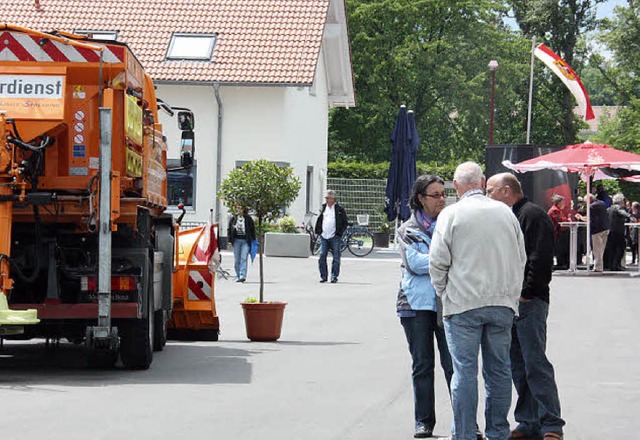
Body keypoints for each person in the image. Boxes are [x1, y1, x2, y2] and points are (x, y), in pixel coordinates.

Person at [429, 162, 526, 440]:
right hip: (501, 303)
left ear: (456, 185)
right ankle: (497, 431)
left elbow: (437, 262)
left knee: (464, 372)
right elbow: (520, 258)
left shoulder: (451, 214)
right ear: (482, 182)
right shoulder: (506, 213)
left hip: (462, 304)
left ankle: (465, 433)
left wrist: (443, 292)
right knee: (499, 370)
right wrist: (510, 294)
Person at [486, 173, 566, 440]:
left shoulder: (531, 214)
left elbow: (541, 258)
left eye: (490, 190)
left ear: (506, 190)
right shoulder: (510, 215)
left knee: (534, 363)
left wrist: (527, 293)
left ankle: (551, 424)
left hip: (529, 302)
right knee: (518, 364)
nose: (487, 196)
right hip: (511, 302)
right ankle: (528, 421)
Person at [396, 175, 454, 439]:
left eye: (443, 194)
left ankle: (464, 422)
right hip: (415, 305)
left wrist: (434, 259)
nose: (442, 199)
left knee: (454, 366)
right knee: (422, 365)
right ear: (421, 198)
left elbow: (455, 259)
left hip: (447, 302)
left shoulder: (452, 224)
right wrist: (444, 258)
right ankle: (423, 422)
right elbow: (414, 265)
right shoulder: (407, 229)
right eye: (436, 195)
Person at [315, 190, 348, 283]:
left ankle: (334, 276)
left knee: (336, 257)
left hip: (335, 236)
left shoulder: (339, 209)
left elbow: (344, 223)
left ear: (333, 199)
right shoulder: (324, 208)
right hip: (324, 236)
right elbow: (320, 219)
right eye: (326, 198)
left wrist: (339, 233)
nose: (326, 199)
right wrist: (319, 231)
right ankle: (323, 276)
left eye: (328, 198)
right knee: (322, 255)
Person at [576, 194, 609, 272]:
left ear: (589, 199)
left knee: (597, 250)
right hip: (605, 228)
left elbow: (588, 219)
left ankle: (598, 267)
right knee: (602, 250)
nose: (585, 203)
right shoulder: (602, 203)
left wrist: (580, 217)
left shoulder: (592, 207)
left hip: (596, 230)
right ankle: (599, 266)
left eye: (585, 201)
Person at [604, 193, 633, 271]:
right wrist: (630, 216)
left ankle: (611, 265)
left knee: (611, 249)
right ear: (620, 201)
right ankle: (616, 265)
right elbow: (621, 212)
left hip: (610, 231)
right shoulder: (618, 207)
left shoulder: (609, 208)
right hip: (618, 232)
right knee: (621, 248)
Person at [227, 207, 256, 282]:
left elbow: (252, 229)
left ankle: (242, 275)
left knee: (244, 258)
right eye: (237, 208)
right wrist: (229, 240)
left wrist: (253, 240)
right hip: (236, 240)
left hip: (245, 241)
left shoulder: (248, 218)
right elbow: (229, 229)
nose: (238, 209)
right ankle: (238, 275)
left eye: (240, 208)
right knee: (237, 259)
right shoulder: (233, 218)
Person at [547, 194, 569, 270]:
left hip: (559, 233)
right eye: (563, 202)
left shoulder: (558, 210)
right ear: (558, 202)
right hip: (556, 233)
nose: (564, 204)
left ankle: (563, 262)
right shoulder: (554, 210)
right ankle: (561, 263)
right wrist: (567, 220)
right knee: (560, 248)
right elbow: (561, 221)